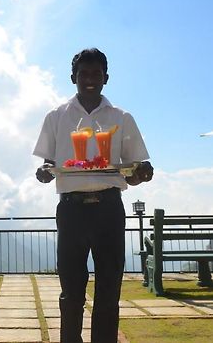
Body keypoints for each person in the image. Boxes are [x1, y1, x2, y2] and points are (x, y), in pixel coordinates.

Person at [33, 48, 153, 343]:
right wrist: (46, 171)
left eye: (96, 73)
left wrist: (141, 173)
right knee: (71, 291)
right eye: (83, 73)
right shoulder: (56, 117)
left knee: (109, 291)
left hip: (109, 209)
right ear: (72, 77)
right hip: (71, 211)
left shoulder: (121, 118)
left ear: (106, 78)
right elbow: (48, 163)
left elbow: (133, 170)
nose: (89, 79)